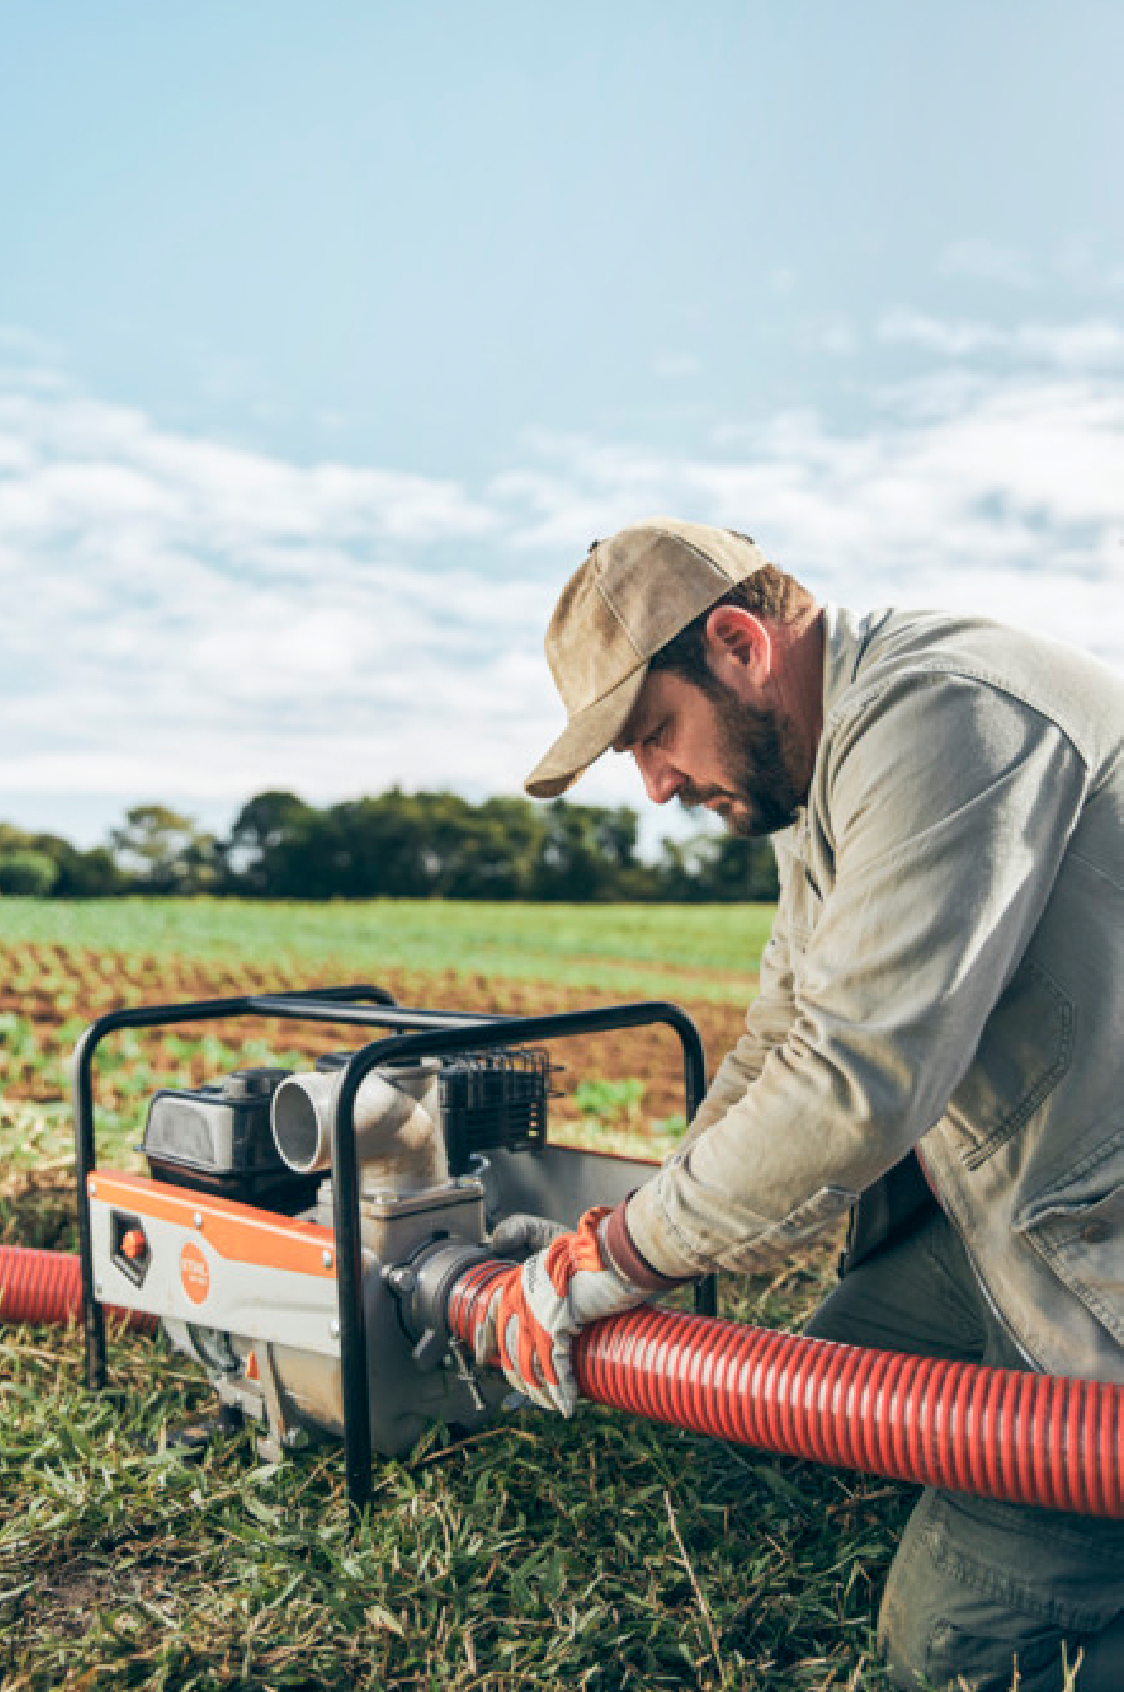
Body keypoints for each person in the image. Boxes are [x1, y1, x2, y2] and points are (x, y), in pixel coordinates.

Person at [473, 517, 1124, 1692]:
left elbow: (852, 1085)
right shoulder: (826, 771)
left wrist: (615, 1261)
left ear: (736, 643)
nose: (659, 784)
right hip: (1033, 1212)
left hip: (1103, 1249)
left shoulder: (945, 714)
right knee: (807, 1415)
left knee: (958, 1654)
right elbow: (783, 1034)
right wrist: (617, 1223)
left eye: (653, 734)